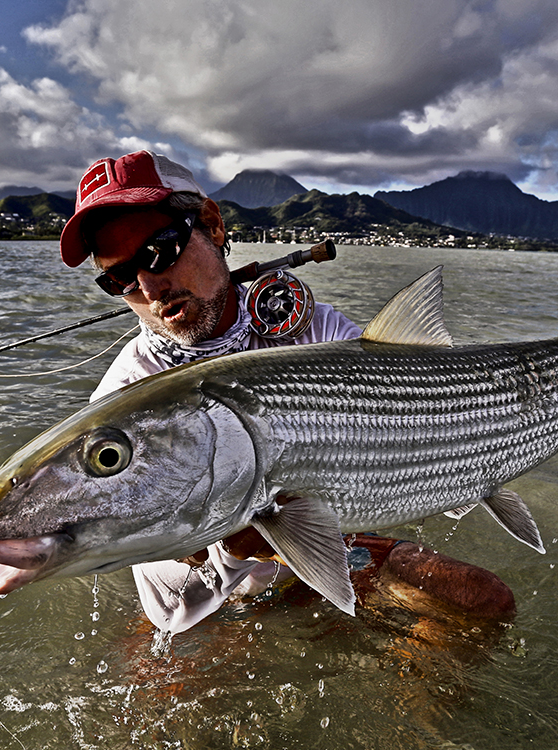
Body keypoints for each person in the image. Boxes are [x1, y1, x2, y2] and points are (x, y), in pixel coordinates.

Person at [60, 150, 515, 635]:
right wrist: (232, 548)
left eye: (159, 251)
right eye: (120, 278)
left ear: (212, 225)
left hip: (333, 552)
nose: (150, 288)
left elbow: (414, 413)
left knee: (482, 604)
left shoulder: (314, 331)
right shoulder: (123, 404)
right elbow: (172, 589)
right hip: (217, 604)